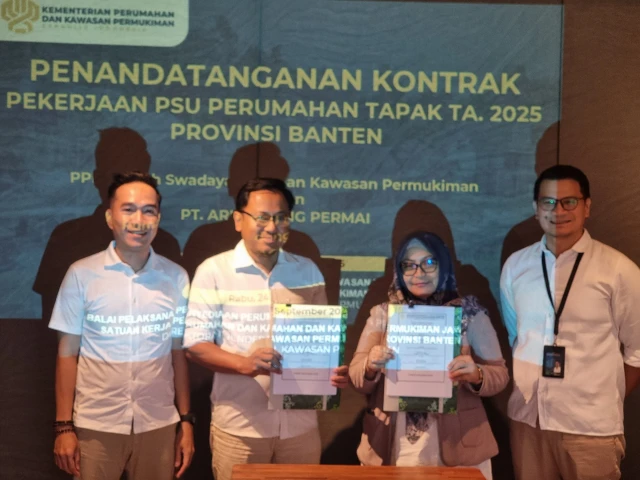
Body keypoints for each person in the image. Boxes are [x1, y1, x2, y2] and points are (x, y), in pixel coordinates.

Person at [183, 178, 349, 480]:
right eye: (262, 217)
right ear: (238, 220)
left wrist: (331, 371)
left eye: (281, 217)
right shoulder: (214, 271)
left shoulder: (307, 271)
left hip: (300, 427)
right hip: (241, 426)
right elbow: (195, 345)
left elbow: (320, 342)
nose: (272, 227)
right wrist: (244, 364)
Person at [49, 172, 194, 480]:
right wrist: (63, 426)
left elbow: (177, 353)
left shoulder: (176, 277)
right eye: (128, 209)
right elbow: (67, 354)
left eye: (148, 211)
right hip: (96, 424)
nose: (138, 220)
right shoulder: (81, 274)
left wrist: (186, 420)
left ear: (158, 219)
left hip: (158, 423)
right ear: (109, 217)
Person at [501, 165, 640, 480]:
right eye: (548, 202)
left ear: (586, 206)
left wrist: (601, 398)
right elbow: (517, 336)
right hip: (529, 424)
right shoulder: (516, 267)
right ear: (536, 207)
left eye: (569, 202)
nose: (558, 211)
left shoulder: (618, 270)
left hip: (590, 429)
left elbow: (638, 351)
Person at [350, 231, 508, 479]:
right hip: (394, 445)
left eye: (429, 262)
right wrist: (370, 365)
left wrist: (477, 374)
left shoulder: (469, 313)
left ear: (444, 265)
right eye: (409, 265)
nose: (419, 273)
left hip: (458, 445)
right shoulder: (382, 315)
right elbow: (356, 377)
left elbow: (499, 375)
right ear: (399, 270)